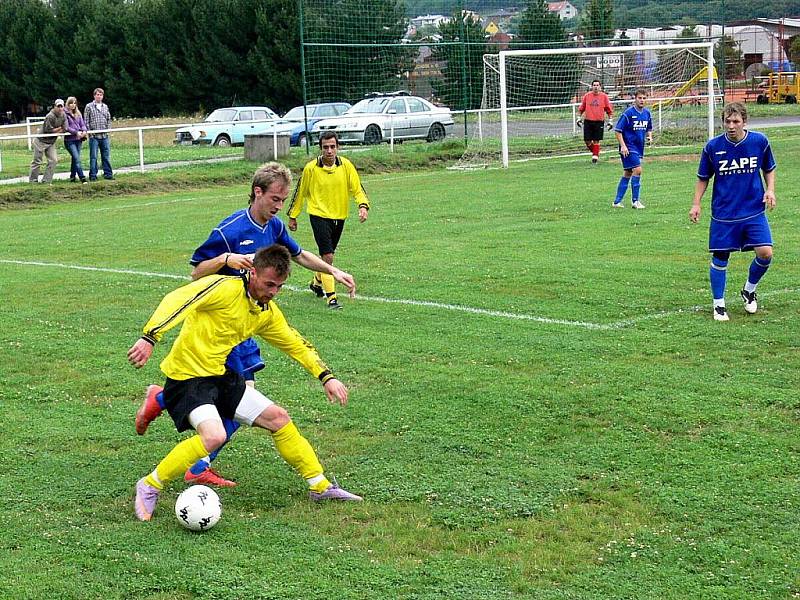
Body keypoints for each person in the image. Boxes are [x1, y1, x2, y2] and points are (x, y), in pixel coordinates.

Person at [135, 162, 357, 487]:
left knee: (241, 398)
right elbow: (196, 273)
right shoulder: (231, 230)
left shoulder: (275, 227)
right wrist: (225, 260)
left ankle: (171, 414)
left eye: (283, 201)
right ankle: (196, 458)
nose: (279, 207)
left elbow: (299, 255)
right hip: (219, 323)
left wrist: (332, 272)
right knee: (240, 396)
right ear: (257, 192)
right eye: (275, 199)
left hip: (251, 320)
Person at [129, 244, 362, 522]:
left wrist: (326, 376)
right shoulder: (223, 288)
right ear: (252, 272)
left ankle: (320, 486)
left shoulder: (265, 311)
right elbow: (178, 299)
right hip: (187, 378)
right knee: (214, 436)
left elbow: (294, 343)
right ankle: (150, 485)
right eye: (269, 284)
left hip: (220, 375)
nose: (273, 292)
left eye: (279, 286)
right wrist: (150, 336)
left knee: (278, 418)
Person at [689, 102, 777, 322]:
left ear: (744, 122)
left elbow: (769, 168)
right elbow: (703, 178)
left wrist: (771, 190)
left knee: (765, 253)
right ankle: (719, 305)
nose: (731, 125)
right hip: (724, 212)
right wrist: (696, 203)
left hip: (753, 209)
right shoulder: (712, 147)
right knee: (721, 256)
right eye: (727, 121)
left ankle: (749, 290)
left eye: (736, 121)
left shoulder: (759, 142)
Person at [287, 131, 370, 310]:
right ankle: (331, 298)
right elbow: (300, 193)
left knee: (327, 258)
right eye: (326, 147)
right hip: (318, 215)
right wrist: (293, 216)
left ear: (337, 147)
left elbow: (357, 189)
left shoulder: (346, 166)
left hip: (339, 217)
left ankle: (317, 282)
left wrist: (363, 206)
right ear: (320, 149)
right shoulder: (311, 168)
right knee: (328, 256)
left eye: (333, 147)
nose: (329, 151)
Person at [612, 88, 653, 209]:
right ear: (635, 99)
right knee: (638, 170)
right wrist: (623, 146)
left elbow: (649, 128)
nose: (642, 100)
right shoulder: (628, 113)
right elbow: (618, 131)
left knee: (628, 172)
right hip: (628, 146)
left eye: (644, 98)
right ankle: (635, 201)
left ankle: (617, 202)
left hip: (639, 147)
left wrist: (649, 137)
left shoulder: (647, 113)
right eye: (639, 98)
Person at [28, 99, 67, 184]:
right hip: (40, 141)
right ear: (54, 107)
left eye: (62, 106)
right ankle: (33, 181)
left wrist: (57, 129)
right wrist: (59, 128)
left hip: (51, 142)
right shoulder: (50, 116)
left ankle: (46, 181)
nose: (60, 108)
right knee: (37, 161)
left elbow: (65, 128)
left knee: (53, 160)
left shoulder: (64, 115)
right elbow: (48, 130)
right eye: (58, 106)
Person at [577, 79, 614, 164]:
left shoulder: (604, 97)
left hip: (599, 122)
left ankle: (595, 157)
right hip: (588, 121)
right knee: (587, 140)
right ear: (592, 86)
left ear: (600, 87)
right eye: (594, 85)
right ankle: (596, 152)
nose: (596, 87)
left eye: (597, 85)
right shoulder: (587, 96)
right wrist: (578, 118)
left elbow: (609, 110)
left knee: (596, 140)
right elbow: (581, 109)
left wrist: (610, 120)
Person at [84, 87, 113, 181]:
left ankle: (108, 174)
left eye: (101, 95)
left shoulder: (105, 107)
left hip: (104, 136)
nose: (99, 96)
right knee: (93, 157)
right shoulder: (89, 106)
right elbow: (86, 121)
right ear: (94, 95)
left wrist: (108, 129)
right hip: (94, 136)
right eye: (97, 94)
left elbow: (109, 119)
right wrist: (90, 133)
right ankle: (93, 175)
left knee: (106, 156)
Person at [63, 96, 88, 183]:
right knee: (77, 158)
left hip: (79, 140)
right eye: (71, 103)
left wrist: (84, 131)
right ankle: (82, 177)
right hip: (70, 140)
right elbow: (66, 127)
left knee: (75, 158)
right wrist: (76, 132)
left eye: (74, 103)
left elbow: (83, 124)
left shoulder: (78, 113)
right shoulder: (64, 114)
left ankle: (72, 177)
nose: (73, 105)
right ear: (68, 104)